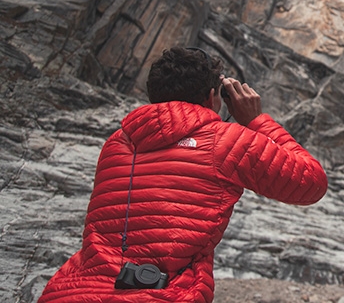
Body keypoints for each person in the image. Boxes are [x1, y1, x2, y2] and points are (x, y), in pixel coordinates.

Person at [38, 47, 328, 302]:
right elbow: (311, 182)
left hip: (69, 292)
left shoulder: (118, 141)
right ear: (214, 96)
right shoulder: (225, 140)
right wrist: (256, 120)